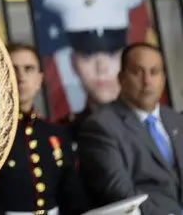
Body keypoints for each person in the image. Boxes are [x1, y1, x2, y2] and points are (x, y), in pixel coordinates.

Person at [0, 43, 89, 215]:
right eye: (12, 68)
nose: (21, 77)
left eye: (29, 69)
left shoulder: (56, 134)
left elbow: (73, 198)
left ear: (39, 80)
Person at [78, 43, 183, 215]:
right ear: (121, 78)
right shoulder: (100, 126)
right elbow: (119, 193)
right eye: (137, 72)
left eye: (154, 72)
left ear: (163, 79)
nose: (147, 81)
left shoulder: (177, 120)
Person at [42, 0, 142, 139]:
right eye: (88, 56)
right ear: (73, 64)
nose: (101, 68)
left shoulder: (156, 129)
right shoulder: (62, 136)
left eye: (111, 54)